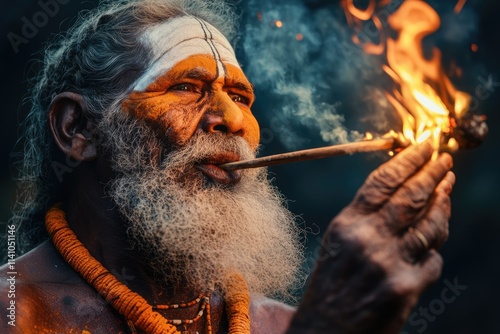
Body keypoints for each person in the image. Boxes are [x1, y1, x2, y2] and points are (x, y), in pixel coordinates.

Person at [0, 0, 455, 333]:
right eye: (186, 86)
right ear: (77, 128)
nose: (234, 120)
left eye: (240, 97)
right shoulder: (13, 313)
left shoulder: (279, 326)